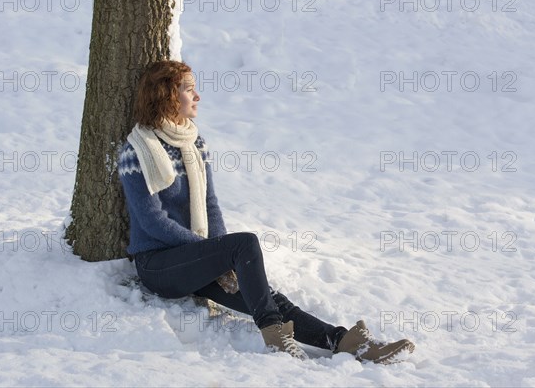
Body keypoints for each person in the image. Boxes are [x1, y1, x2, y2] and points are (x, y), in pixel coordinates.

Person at [118, 60, 415, 363]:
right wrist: (215, 254)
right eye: (189, 90)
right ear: (167, 95)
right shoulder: (138, 151)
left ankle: (344, 341)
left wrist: (220, 259)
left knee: (267, 299)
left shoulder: (196, 145)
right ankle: (275, 337)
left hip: (196, 260)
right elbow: (152, 221)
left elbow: (210, 206)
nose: (198, 97)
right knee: (244, 244)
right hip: (158, 265)